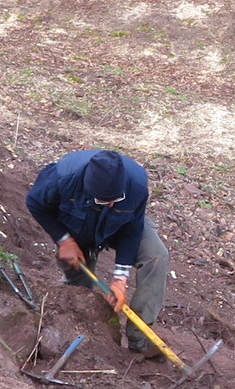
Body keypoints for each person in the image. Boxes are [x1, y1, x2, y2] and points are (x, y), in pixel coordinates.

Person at [25, 147, 170, 352]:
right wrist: (64, 240)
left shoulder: (136, 184)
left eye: (115, 200)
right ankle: (78, 327)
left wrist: (120, 278)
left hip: (120, 225)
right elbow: (34, 203)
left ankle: (140, 339)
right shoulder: (63, 178)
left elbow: (133, 230)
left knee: (157, 256)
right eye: (103, 200)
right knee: (78, 286)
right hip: (77, 227)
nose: (110, 205)